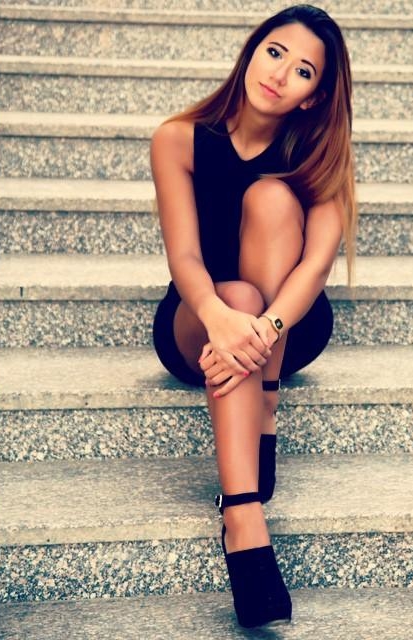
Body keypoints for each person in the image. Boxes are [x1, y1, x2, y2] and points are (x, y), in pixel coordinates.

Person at [149, 4, 356, 629]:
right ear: (251, 51)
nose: (280, 74)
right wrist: (219, 317)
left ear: (312, 97)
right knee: (234, 296)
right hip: (198, 316)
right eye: (275, 52)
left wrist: (263, 332)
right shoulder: (178, 139)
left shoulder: (317, 152)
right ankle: (244, 515)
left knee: (270, 197)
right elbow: (185, 257)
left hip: (288, 326)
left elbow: (316, 266)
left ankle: (263, 404)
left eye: (303, 71)